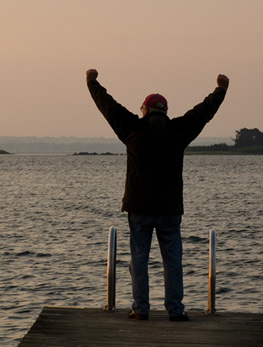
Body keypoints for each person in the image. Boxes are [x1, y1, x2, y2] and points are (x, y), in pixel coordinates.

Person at [86, 69, 229, 321]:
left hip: (139, 208)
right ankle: (175, 310)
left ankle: (141, 309)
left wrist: (92, 82)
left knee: (139, 260)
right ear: (165, 112)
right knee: (172, 261)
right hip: (170, 209)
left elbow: (108, 107)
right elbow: (203, 112)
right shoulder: (179, 131)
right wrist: (221, 90)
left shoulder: (132, 129)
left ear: (145, 110)